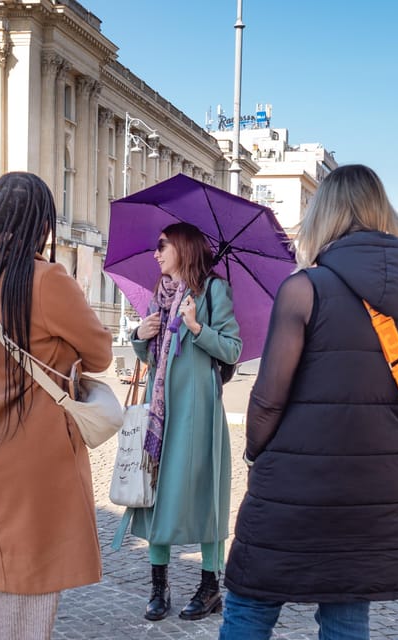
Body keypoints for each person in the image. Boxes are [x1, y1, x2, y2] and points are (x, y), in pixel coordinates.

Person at [219, 165, 398, 640]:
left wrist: (255, 452)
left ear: (324, 215)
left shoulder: (304, 288)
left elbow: (268, 399)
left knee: (251, 604)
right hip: (375, 485)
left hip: (296, 481)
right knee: (346, 615)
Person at [0, 172, 112, 639]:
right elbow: (99, 353)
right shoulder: (46, 278)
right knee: (33, 583)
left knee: (0, 569)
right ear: (42, 224)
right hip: (35, 448)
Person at [125, 221, 242, 622]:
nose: (156, 253)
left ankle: (210, 587)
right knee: (155, 494)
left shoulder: (213, 290)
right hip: (160, 413)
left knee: (205, 493)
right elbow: (152, 358)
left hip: (197, 409)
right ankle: (159, 585)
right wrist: (139, 334)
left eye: (162, 245)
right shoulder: (159, 296)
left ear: (184, 248)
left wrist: (198, 327)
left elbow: (232, 349)